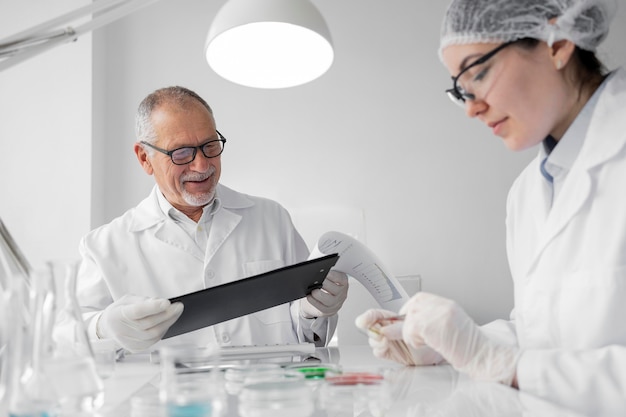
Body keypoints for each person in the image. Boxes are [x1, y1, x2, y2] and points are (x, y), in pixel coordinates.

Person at [356, 0, 626, 415]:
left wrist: (504, 364)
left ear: (559, 41)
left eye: (478, 73)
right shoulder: (528, 192)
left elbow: (532, 361)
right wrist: (445, 345)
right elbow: (542, 334)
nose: (471, 107)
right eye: (460, 90)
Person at [62, 86, 348, 354]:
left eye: (210, 146)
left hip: (265, 401)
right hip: (170, 404)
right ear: (144, 158)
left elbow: (309, 336)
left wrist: (316, 311)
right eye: (181, 153)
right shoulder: (104, 246)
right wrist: (103, 327)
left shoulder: (272, 219)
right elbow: (64, 337)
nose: (201, 165)